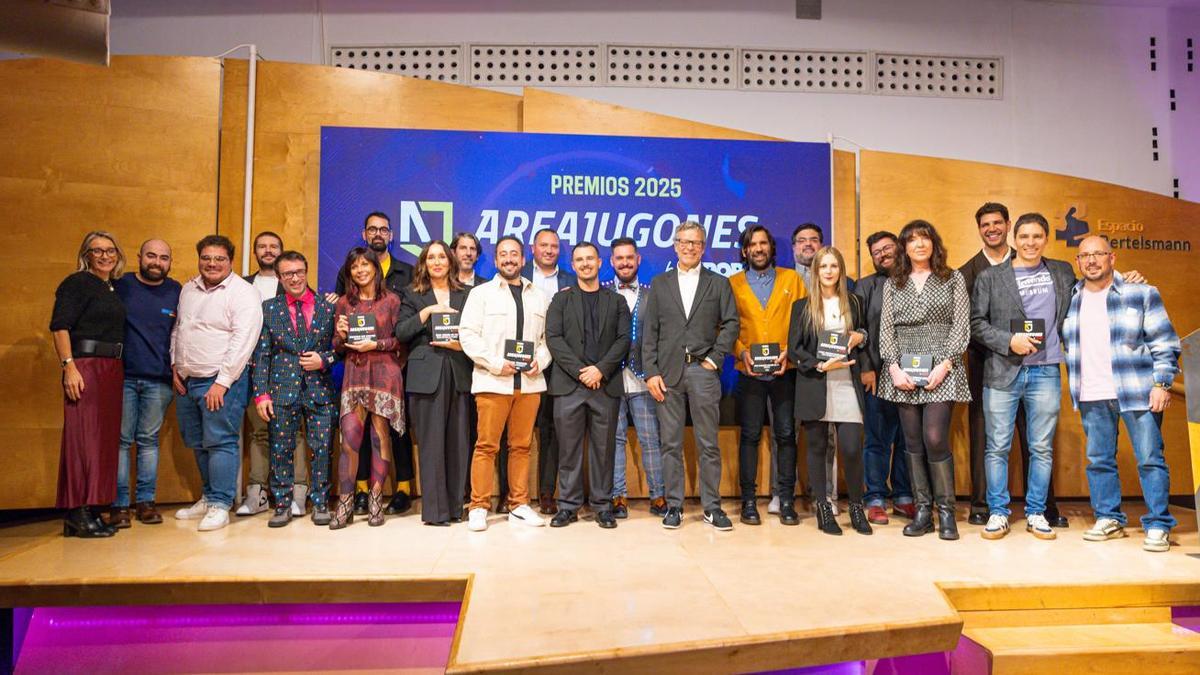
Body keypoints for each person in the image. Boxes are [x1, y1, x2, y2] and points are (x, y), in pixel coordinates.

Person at [1063, 236, 1180, 553]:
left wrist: (1162, 384)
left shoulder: (1140, 292)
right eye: (1085, 256)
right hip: (1091, 393)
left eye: (1098, 254)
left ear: (1112, 258)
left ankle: (1158, 524)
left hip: (1137, 392)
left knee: (1150, 460)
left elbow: (1164, 342)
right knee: (1099, 461)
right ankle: (1108, 518)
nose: (1091, 261)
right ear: (1078, 262)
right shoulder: (1072, 298)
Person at [959, 203, 1065, 529]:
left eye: (1037, 236)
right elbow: (974, 323)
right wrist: (1008, 341)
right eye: (1025, 237)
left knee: (1041, 447)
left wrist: (1126, 277)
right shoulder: (984, 275)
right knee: (996, 446)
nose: (1030, 242)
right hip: (998, 369)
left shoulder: (1061, 272)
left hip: (1045, 370)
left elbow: (1094, 280)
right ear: (1016, 238)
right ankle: (996, 511)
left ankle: (1038, 511)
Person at [642, 221, 740, 530]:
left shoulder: (718, 283)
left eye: (695, 242)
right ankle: (674, 506)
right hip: (667, 375)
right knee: (670, 444)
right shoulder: (660, 283)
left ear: (703, 247)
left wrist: (715, 358)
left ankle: (712, 507)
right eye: (683, 242)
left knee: (708, 443)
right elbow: (650, 331)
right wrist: (651, 372)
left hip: (703, 371)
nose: (689, 247)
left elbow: (731, 324)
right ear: (675, 246)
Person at [877, 220, 970, 541]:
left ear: (934, 244)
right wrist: (892, 367)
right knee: (912, 441)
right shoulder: (894, 283)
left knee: (935, 438)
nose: (919, 245)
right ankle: (922, 512)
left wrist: (946, 364)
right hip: (903, 367)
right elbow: (886, 328)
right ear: (904, 247)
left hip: (942, 366)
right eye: (912, 240)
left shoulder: (952, 278)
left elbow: (961, 325)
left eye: (925, 239)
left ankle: (946, 513)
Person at [460, 236, 552, 532]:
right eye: (503, 254)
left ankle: (519, 505)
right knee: (486, 446)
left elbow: (547, 339)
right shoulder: (481, 294)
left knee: (521, 447)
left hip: (529, 383)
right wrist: (496, 363)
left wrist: (541, 360)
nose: (509, 259)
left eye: (514, 254)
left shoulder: (539, 296)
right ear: (496, 260)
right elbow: (467, 335)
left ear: (523, 259)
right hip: (492, 382)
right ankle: (478, 506)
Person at [172, 235, 263, 532]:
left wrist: (222, 382)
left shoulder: (243, 293)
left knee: (220, 440)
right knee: (197, 442)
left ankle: (221, 505)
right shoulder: (188, 289)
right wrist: (175, 365)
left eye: (219, 259)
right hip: (187, 379)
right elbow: (180, 329)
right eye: (206, 258)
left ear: (231, 261)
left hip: (221, 380)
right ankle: (209, 496)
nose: (212, 263)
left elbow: (244, 340)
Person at [331, 212, 417, 518]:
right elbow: (337, 346)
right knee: (350, 439)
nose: (360, 270)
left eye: (365, 265)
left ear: (375, 268)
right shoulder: (344, 302)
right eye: (355, 267)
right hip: (354, 375)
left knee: (380, 438)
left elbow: (400, 341)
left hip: (384, 374)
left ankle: (376, 501)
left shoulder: (392, 301)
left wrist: (376, 345)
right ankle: (345, 501)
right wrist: (341, 336)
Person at [545, 242, 631, 529]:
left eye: (590, 259)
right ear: (573, 265)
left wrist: (600, 370)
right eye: (579, 260)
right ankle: (568, 506)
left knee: (603, 451)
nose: (585, 264)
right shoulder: (561, 300)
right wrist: (581, 372)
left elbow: (623, 340)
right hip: (569, 386)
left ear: (599, 262)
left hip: (605, 386)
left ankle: (602, 506)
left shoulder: (616, 301)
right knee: (568, 451)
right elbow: (554, 338)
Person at [250, 251, 338, 528]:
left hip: (320, 390)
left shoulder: (327, 307)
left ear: (306, 271)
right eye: (288, 274)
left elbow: (341, 349)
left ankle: (321, 503)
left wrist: (324, 359)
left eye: (299, 272)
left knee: (323, 449)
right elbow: (262, 354)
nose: (295, 278)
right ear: (279, 277)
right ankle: (282, 504)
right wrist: (261, 394)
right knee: (280, 449)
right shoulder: (269, 308)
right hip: (281, 390)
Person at [788, 246, 872, 536]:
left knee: (851, 448)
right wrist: (819, 365)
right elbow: (795, 349)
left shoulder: (855, 302)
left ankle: (857, 508)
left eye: (833, 266)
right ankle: (823, 507)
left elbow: (866, 334)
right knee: (817, 448)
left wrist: (861, 336)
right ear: (815, 271)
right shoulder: (802, 306)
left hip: (847, 384)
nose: (828, 271)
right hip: (816, 383)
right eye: (823, 266)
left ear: (841, 270)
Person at [51, 231, 128, 538]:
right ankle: (77, 511)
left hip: (111, 368)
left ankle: (92, 509)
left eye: (110, 250)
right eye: (97, 251)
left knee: (102, 441)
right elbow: (60, 327)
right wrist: (69, 367)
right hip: (86, 367)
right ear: (86, 255)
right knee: (83, 439)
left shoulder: (111, 287)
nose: (105, 256)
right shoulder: (77, 283)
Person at [729, 225, 805, 525]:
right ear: (745, 251)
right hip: (748, 373)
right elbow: (725, 326)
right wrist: (741, 353)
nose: (758, 249)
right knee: (749, 436)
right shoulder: (732, 283)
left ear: (771, 248)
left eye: (763, 243)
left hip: (785, 372)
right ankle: (748, 501)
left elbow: (804, 321)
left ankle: (786, 500)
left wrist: (790, 351)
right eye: (753, 244)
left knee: (785, 435)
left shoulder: (792, 279)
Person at [395, 241, 474, 526]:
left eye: (442, 257)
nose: (437, 262)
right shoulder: (412, 294)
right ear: (424, 264)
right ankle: (435, 512)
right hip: (426, 375)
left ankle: (454, 507)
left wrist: (461, 345)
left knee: (458, 443)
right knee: (431, 444)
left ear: (451, 262)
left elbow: (478, 332)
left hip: (458, 371)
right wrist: (427, 312)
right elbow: (401, 332)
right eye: (432, 258)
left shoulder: (467, 294)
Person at [107, 239, 180, 528]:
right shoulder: (120, 285)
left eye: (163, 257)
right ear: (139, 257)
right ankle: (119, 505)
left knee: (149, 441)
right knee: (121, 441)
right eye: (151, 255)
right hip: (122, 377)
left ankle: (146, 502)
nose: (156, 262)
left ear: (170, 262)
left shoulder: (176, 291)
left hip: (159, 379)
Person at [239, 231, 309, 518]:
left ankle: (297, 492)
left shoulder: (298, 286)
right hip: (253, 367)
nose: (267, 251)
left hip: (291, 375)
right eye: (262, 246)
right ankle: (257, 492)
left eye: (273, 246)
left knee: (296, 433)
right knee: (259, 432)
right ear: (255, 251)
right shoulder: (241, 286)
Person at [854, 231, 914, 525]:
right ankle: (875, 497)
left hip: (914, 373)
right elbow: (859, 329)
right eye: (876, 252)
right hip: (877, 375)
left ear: (899, 248)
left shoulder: (916, 280)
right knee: (877, 439)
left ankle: (903, 496)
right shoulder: (865, 286)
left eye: (887, 248)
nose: (882, 254)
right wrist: (866, 367)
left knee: (907, 438)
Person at [605, 238, 667, 518]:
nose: (625, 263)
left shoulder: (654, 294)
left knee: (651, 439)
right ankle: (618, 497)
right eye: (619, 258)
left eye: (629, 258)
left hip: (644, 379)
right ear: (612, 262)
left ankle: (658, 496)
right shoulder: (602, 292)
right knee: (614, 440)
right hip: (612, 381)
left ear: (638, 260)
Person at [791, 222, 847, 514]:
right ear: (793, 247)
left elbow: (857, 330)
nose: (808, 244)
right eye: (802, 240)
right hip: (797, 372)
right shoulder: (788, 282)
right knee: (793, 437)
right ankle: (790, 496)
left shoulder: (848, 295)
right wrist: (815, 363)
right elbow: (794, 341)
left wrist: (860, 335)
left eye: (814, 239)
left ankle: (826, 497)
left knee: (832, 440)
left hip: (838, 376)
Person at [522, 228, 576, 514]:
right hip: (522, 362)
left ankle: (546, 493)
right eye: (543, 245)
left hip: (559, 366)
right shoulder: (518, 275)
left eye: (554, 246)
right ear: (533, 248)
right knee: (515, 430)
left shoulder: (570, 281)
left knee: (551, 431)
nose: (549, 250)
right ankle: (510, 493)